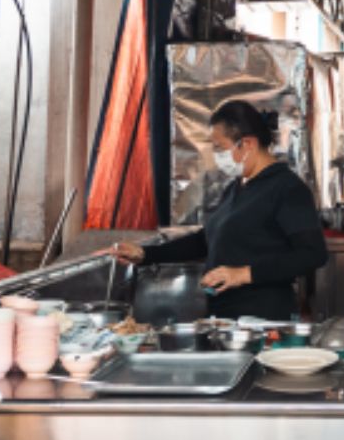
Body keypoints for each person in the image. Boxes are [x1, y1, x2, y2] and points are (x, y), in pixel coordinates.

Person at [110, 100, 327, 322]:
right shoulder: (237, 187)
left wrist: (244, 274)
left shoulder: (287, 188)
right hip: (225, 317)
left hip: (265, 318)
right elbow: (206, 240)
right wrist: (146, 254)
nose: (216, 156)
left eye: (220, 148)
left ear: (248, 144)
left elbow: (312, 254)